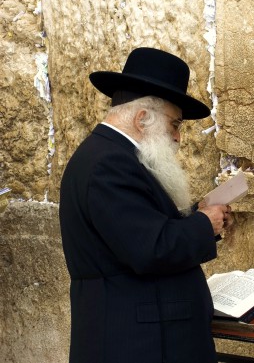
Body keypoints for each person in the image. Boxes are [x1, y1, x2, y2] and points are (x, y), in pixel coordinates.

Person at [59, 47, 230, 363]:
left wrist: (198, 213)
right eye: (175, 124)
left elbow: (141, 227)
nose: (178, 138)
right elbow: (150, 250)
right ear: (143, 118)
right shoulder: (108, 164)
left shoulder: (112, 157)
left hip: (145, 338)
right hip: (136, 344)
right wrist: (204, 224)